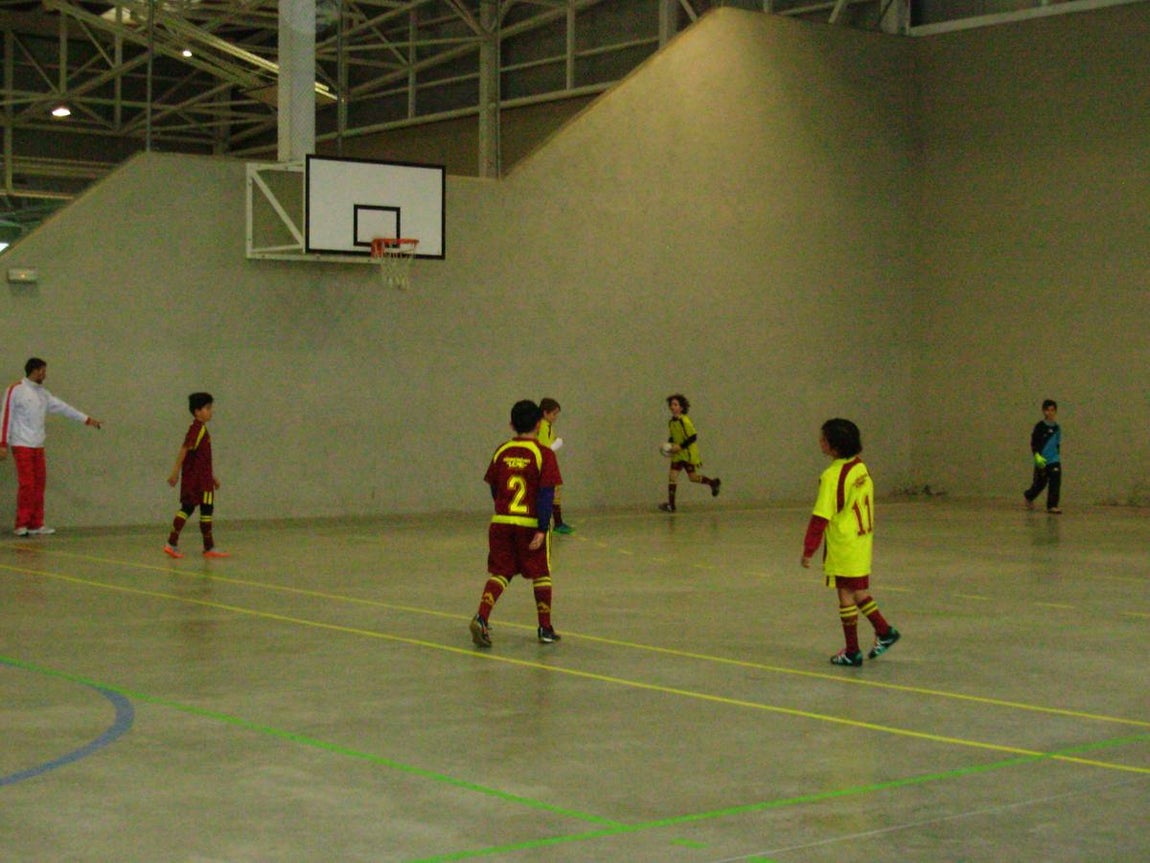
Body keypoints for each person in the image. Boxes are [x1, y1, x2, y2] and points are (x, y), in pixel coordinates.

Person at [800, 418, 900, 667]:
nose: (819, 441)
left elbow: (821, 516)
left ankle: (854, 649)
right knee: (858, 590)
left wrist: (809, 549)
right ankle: (883, 632)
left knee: (846, 592)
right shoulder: (860, 467)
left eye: (823, 439)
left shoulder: (832, 476)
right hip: (862, 541)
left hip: (843, 543)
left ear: (834, 447)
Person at [470, 400, 563, 648]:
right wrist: (542, 528)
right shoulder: (544, 454)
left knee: (501, 572)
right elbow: (546, 494)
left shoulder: (502, 451)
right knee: (541, 573)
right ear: (539, 424)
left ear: (511, 425)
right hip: (529, 523)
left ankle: (481, 617)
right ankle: (545, 628)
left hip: (501, 522)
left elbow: (494, 486)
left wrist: (503, 507)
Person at [0, 357, 103, 536]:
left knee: (39, 485)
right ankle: (21, 524)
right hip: (21, 444)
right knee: (27, 485)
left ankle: (36, 524)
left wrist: (87, 419)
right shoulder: (15, 390)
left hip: (38, 446)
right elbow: (5, 416)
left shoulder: (43, 394)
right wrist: (2, 444)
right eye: (43, 371)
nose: (45, 374)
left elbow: (65, 408)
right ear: (34, 371)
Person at [164, 392, 229, 559]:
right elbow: (184, 449)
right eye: (207, 408)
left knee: (199, 509)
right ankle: (174, 543)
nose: (211, 411)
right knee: (194, 508)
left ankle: (205, 547)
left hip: (202, 480)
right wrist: (175, 472)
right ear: (197, 412)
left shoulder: (201, 429)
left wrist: (212, 477)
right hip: (198, 481)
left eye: (211, 408)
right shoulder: (197, 429)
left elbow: (202, 460)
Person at [658, 393, 720, 513]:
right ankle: (671, 505)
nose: (672, 407)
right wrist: (669, 446)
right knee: (672, 476)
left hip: (687, 454)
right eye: (671, 404)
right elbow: (673, 437)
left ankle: (713, 483)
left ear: (681, 407)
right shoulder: (671, 422)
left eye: (675, 404)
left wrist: (680, 446)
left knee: (693, 477)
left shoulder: (685, 421)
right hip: (678, 455)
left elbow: (693, 437)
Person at [538, 397, 574, 534]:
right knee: (553, 494)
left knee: (556, 493)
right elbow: (545, 449)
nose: (555, 417)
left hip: (548, 464)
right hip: (545, 465)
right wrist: (557, 444)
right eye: (554, 414)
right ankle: (556, 523)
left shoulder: (548, 426)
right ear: (545, 413)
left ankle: (557, 522)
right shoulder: (543, 426)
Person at [1023, 399, 1062, 514]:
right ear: (1044, 411)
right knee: (1040, 483)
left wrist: (1056, 455)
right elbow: (1034, 442)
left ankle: (1052, 505)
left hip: (1054, 459)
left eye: (1052, 410)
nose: (1050, 413)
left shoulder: (1057, 428)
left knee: (1055, 480)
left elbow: (1057, 443)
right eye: (1047, 410)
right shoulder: (1040, 426)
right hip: (1042, 459)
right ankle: (1029, 496)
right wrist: (1037, 456)